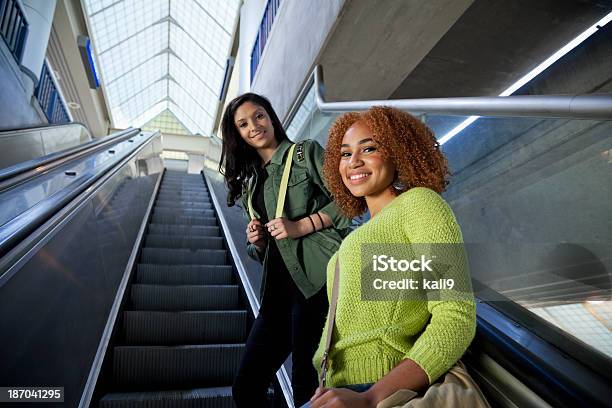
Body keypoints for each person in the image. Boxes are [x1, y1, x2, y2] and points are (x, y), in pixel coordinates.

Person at [305, 107, 486, 407]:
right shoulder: (351, 240)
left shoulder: (419, 204)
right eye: (345, 153)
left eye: (369, 148)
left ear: (397, 152)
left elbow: (455, 317)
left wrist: (371, 396)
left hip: (381, 389)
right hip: (334, 389)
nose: (354, 162)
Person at [219, 93, 351, 407]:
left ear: (271, 118)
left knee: (307, 388)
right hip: (276, 295)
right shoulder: (251, 186)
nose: (254, 126)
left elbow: (348, 201)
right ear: (237, 134)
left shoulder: (306, 154)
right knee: (246, 387)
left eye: (259, 116)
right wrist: (259, 242)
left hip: (316, 285)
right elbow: (263, 255)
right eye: (243, 124)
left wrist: (302, 225)